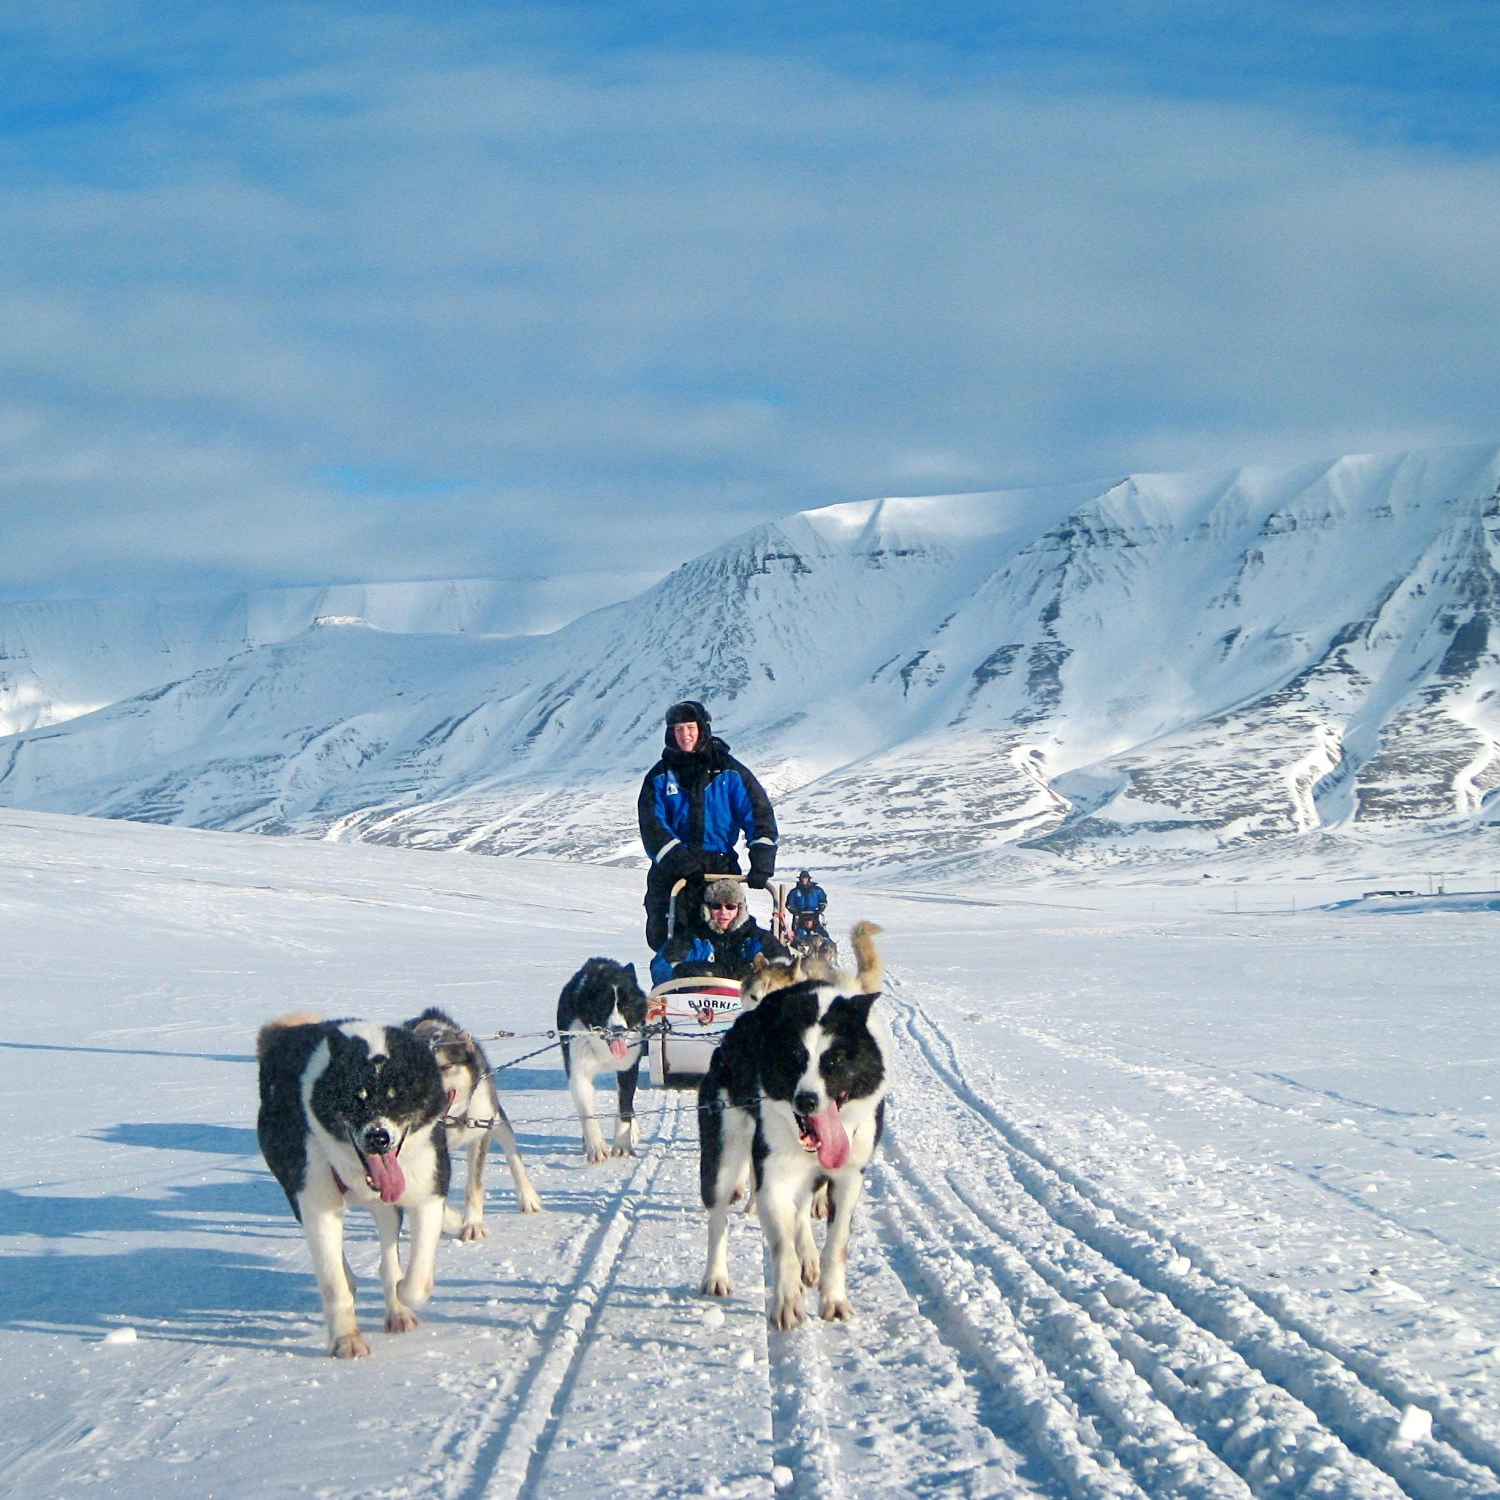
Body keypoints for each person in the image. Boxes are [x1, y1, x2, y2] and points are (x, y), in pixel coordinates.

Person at [638, 699, 778, 949]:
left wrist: (762, 861)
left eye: (690, 728)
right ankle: (678, 981)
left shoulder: (730, 772)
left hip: (719, 864)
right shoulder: (659, 776)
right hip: (673, 870)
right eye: (678, 729)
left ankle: (731, 978)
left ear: (702, 728)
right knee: (666, 936)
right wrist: (678, 860)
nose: (685, 735)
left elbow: (759, 815)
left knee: (727, 931)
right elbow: (652, 826)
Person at [651, 879, 790, 985]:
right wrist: (687, 972)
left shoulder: (758, 939)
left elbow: (784, 966)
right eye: (716, 906)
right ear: (708, 909)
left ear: (740, 910)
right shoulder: (692, 940)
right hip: (695, 1005)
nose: (724, 912)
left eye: (730, 907)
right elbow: (661, 967)